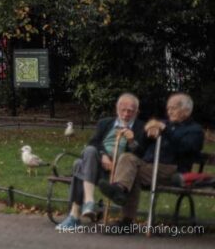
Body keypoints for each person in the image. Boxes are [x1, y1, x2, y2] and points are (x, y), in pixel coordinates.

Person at [99, 93, 204, 224]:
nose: (169, 111)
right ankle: (121, 194)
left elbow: (187, 148)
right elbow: (141, 148)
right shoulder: (164, 124)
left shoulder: (194, 130)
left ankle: (124, 208)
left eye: (174, 108)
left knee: (132, 171)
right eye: (168, 107)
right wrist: (146, 132)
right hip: (149, 166)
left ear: (187, 110)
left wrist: (165, 130)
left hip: (174, 170)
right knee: (128, 158)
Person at [55, 93, 145, 231]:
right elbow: (93, 142)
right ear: (116, 109)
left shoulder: (140, 128)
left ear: (136, 112)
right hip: (98, 164)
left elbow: (141, 154)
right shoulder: (105, 123)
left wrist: (132, 141)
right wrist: (103, 155)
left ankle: (74, 216)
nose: (126, 114)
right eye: (123, 109)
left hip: (119, 172)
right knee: (90, 151)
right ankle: (89, 201)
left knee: (79, 165)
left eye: (130, 111)